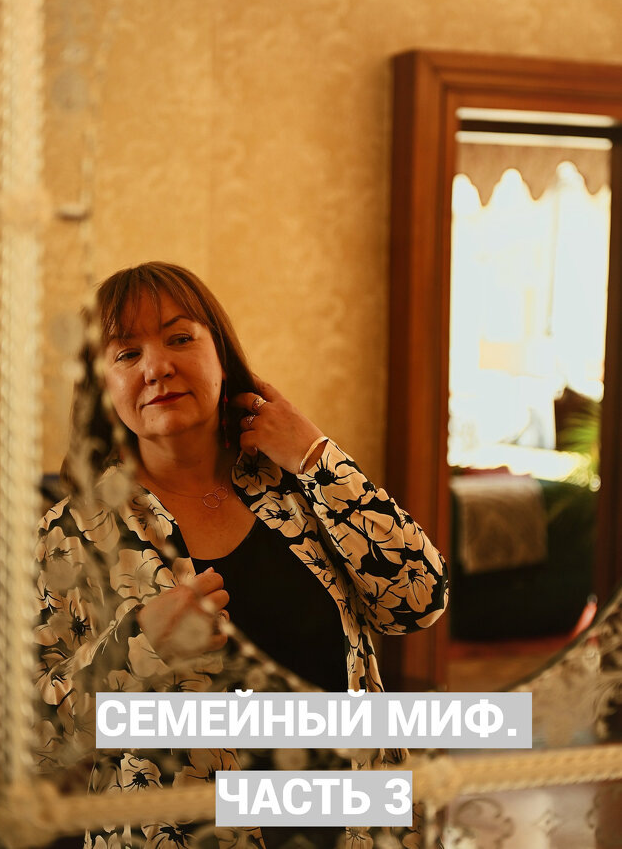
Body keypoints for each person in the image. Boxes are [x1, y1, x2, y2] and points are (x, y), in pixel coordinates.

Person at [34, 261, 448, 849]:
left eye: (180, 338)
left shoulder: (299, 483)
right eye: (126, 354)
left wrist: (315, 454)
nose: (158, 367)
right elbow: (39, 739)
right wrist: (138, 645)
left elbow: (419, 602)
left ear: (220, 355)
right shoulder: (74, 531)